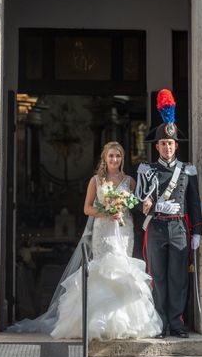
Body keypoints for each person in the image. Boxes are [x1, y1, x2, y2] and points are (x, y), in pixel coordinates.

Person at [50, 141, 162, 340]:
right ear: (104, 158)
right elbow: (87, 208)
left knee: (123, 268)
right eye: (111, 156)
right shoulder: (96, 181)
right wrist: (106, 212)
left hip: (124, 230)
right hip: (103, 232)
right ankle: (99, 323)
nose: (114, 159)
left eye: (118, 156)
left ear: (122, 159)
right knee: (104, 270)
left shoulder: (129, 180)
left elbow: (135, 204)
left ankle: (126, 323)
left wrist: (142, 203)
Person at [135, 89, 202, 339]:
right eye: (163, 144)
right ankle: (161, 322)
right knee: (157, 277)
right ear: (158, 145)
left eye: (170, 144)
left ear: (176, 145)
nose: (167, 148)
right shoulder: (147, 170)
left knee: (178, 278)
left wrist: (198, 231)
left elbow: (194, 203)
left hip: (178, 230)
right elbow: (136, 201)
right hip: (156, 228)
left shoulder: (187, 171)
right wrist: (149, 205)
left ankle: (176, 322)